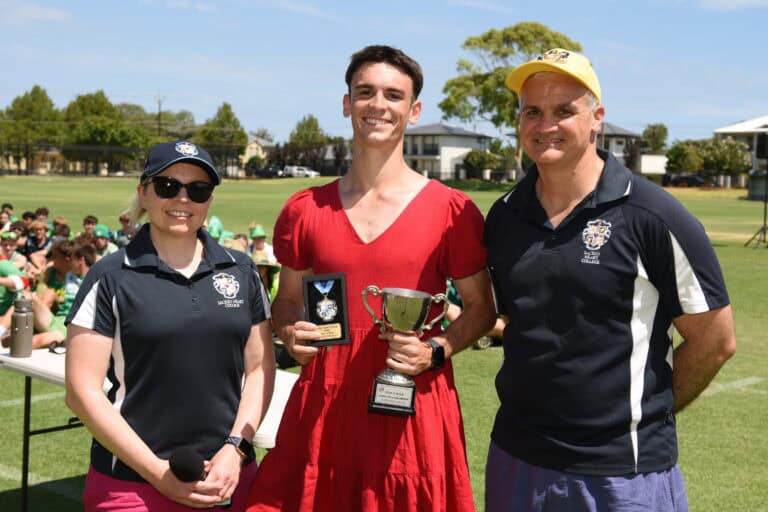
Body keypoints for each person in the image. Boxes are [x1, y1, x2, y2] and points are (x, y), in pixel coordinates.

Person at [483, 48, 736, 511]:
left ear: (597, 117)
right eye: (532, 112)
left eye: (565, 111)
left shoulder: (653, 215)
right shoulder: (503, 216)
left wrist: (646, 417)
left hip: (622, 475)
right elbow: (507, 318)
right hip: (516, 460)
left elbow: (716, 340)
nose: (545, 125)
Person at [246, 45, 496, 512]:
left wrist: (436, 350)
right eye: (365, 92)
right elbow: (288, 300)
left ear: (413, 110)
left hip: (411, 407)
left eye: (393, 95)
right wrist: (290, 331)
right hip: (324, 406)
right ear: (347, 104)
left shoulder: (451, 211)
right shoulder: (305, 209)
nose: (378, 105)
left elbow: (482, 308)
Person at [64, 139, 276, 511]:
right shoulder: (110, 276)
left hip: (229, 479)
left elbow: (259, 369)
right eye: (167, 186)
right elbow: (82, 391)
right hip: (131, 485)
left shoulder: (242, 271)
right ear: (143, 193)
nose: (182, 199)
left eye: (198, 189)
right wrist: (156, 471)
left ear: (209, 200)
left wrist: (235, 450)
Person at [30, 240, 94, 349]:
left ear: (81, 260)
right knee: (28, 297)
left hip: (70, 325)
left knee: (34, 341)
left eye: (71, 259)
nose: (69, 261)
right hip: (56, 318)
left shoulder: (94, 279)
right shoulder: (70, 275)